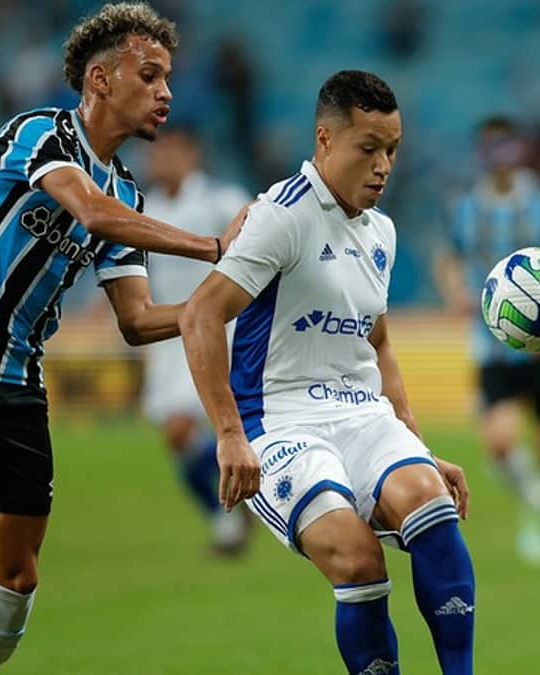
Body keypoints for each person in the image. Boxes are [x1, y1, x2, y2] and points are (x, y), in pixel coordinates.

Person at [0, 5, 259, 674]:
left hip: (18, 388)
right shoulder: (37, 135)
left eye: (169, 77)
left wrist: (216, 303)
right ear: (100, 79)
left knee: (18, 574)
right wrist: (212, 248)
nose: (166, 92)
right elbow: (87, 210)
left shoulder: (126, 193)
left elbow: (138, 319)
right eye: (150, 75)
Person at [180, 70, 475, 675]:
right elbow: (201, 315)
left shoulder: (381, 233)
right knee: (356, 556)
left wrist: (415, 443)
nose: (383, 166)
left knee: (430, 505)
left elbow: (379, 339)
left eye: (392, 150)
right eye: (368, 148)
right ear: (323, 140)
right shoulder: (279, 216)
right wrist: (231, 434)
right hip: (280, 421)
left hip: (362, 414)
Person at [434, 115, 540, 587]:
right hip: (493, 348)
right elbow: (447, 256)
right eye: (491, 146)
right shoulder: (463, 206)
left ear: (519, 149)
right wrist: (455, 293)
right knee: (499, 445)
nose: (499, 155)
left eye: (506, 145)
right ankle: (533, 500)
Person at [140, 124, 253, 555]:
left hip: (218, 329)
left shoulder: (218, 200)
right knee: (176, 439)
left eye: (169, 153)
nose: (159, 161)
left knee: (187, 427)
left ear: (190, 155)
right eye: (156, 154)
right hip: (168, 334)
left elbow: (257, 232)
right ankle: (234, 505)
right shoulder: (146, 206)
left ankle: (237, 499)